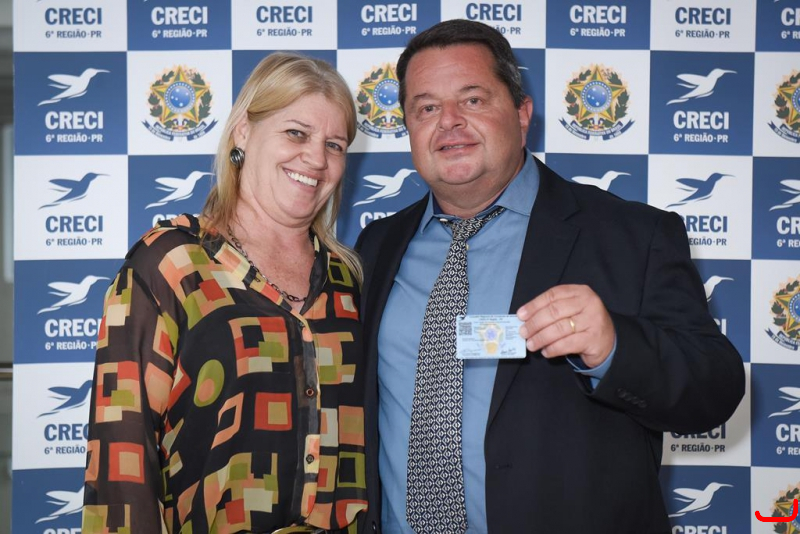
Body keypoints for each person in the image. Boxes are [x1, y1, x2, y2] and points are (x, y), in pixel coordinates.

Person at [355, 19, 745, 534]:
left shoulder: (633, 236)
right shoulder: (375, 246)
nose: (449, 121)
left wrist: (615, 347)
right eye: (426, 108)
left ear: (522, 114)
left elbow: (715, 391)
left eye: (473, 100)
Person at [82, 52, 368, 533]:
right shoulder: (171, 263)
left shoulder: (348, 279)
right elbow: (121, 454)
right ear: (242, 132)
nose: (317, 159)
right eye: (296, 133)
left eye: (334, 145)